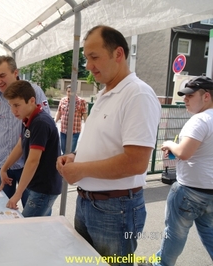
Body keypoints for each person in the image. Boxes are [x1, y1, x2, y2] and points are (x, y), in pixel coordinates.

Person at [56, 25, 161, 264]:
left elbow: (135, 162)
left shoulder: (137, 95)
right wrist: (75, 156)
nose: (89, 65)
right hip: (93, 203)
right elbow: (103, 142)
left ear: (119, 54)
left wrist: (80, 169)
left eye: (94, 57)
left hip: (115, 208)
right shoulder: (106, 92)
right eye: (86, 58)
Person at [0, 56, 51, 207]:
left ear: (15, 72)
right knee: (2, 211)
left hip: (29, 166)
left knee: (32, 218)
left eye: (2, 76)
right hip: (2, 165)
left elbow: (44, 127)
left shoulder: (34, 92)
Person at [154, 76, 213, 266]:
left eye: (190, 95)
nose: (185, 99)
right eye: (184, 96)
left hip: (190, 191)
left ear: (206, 97)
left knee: (175, 235)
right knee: (210, 235)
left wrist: (170, 144)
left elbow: (184, 153)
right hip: (210, 191)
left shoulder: (199, 120)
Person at [0, 80, 62, 217]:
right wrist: (4, 168)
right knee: (33, 227)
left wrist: (18, 193)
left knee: (28, 227)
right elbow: (21, 145)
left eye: (17, 105)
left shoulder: (40, 122)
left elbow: (33, 161)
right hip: (36, 185)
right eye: (10, 105)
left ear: (32, 101)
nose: (13, 110)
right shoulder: (28, 118)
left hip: (44, 187)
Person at [55, 84, 88, 154]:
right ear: (66, 92)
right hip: (63, 130)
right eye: (68, 91)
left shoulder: (81, 101)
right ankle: (64, 163)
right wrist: (54, 121)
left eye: (72, 91)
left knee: (70, 152)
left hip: (75, 131)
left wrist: (87, 125)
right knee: (63, 150)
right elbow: (59, 112)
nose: (70, 93)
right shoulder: (63, 100)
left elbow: (85, 114)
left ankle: (68, 164)